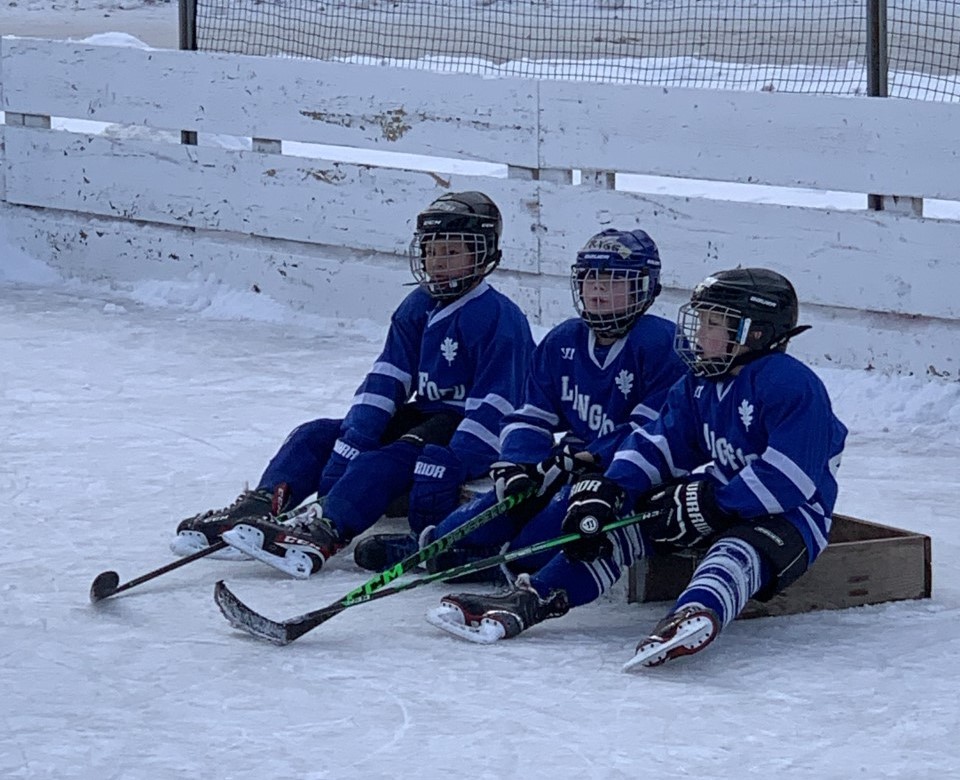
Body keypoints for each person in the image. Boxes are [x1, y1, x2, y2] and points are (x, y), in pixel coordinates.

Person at [427, 267, 848, 671]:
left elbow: (790, 477)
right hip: (722, 499)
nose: (699, 333)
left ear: (754, 333)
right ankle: (532, 597)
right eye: (701, 321)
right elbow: (660, 443)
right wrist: (609, 489)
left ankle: (696, 612)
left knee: (735, 552)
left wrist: (713, 501)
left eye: (714, 324)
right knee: (612, 529)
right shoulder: (700, 383)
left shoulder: (791, 383)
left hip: (791, 519)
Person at [172, 191, 535, 577]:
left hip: (462, 431)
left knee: (386, 458)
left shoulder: (500, 318)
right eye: (432, 250)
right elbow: (388, 375)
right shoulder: (418, 304)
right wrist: (355, 433)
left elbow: (500, 409)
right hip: (424, 417)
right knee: (315, 435)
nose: (438, 262)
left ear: (483, 255)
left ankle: (325, 527)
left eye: (452, 251)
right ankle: (261, 508)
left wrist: (458, 460)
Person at [352, 227, 687, 582]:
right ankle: (436, 545)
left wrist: (587, 459)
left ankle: (501, 563)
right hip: (569, 466)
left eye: (615, 279)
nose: (598, 287)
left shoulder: (663, 345)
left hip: (628, 479)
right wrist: (519, 464)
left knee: (549, 523)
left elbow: (649, 432)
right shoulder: (564, 341)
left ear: (646, 287)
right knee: (496, 506)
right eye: (590, 277)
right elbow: (529, 414)